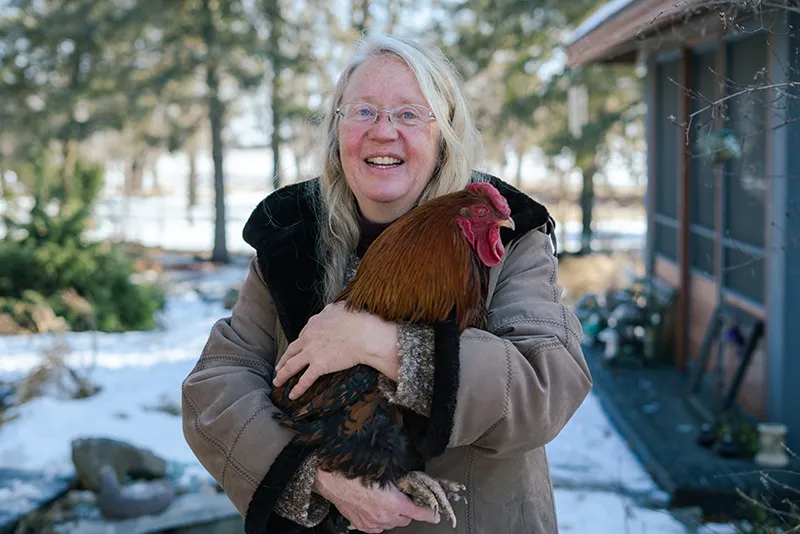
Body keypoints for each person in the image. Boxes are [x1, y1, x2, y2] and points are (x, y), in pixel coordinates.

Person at [181, 34, 592, 534]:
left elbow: (546, 386)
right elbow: (217, 387)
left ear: (446, 133)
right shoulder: (291, 236)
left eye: (409, 114)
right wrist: (317, 477)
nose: (383, 132)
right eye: (363, 112)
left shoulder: (509, 236)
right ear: (337, 131)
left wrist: (389, 346)